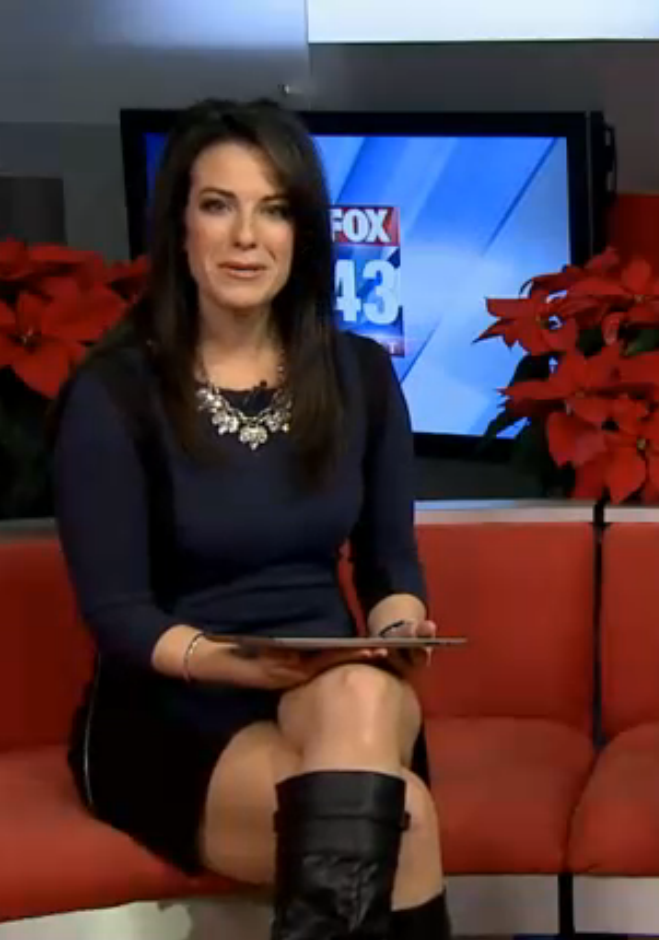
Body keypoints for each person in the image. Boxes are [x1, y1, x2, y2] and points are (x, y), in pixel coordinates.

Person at [52, 98, 451, 939]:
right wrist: (237, 664)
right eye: (217, 205)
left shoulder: (358, 375)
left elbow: (388, 565)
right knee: (402, 822)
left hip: (332, 683)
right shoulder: (115, 394)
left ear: (301, 233)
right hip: (172, 705)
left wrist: (398, 625)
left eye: (273, 210)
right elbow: (118, 615)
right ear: (179, 228)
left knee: (360, 695)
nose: (245, 237)